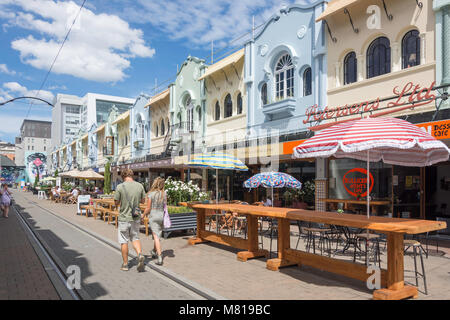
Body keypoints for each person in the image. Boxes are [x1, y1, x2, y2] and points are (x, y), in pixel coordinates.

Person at [114, 169, 146, 272]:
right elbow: (143, 200)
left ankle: (125, 264)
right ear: (132, 175)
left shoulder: (120, 187)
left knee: (124, 241)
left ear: (123, 176)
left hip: (124, 217)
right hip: (135, 217)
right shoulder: (140, 186)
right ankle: (140, 254)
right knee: (135, 237)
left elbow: (116, 202)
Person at [143, 177, 167, 266]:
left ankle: (160, 257)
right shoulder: (163, 194)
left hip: (153, 216)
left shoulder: (151, 194)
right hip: (161, 216)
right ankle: (154, 251)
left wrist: (143, 215)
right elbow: (165, 206)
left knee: (156, 237)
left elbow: (148, 208)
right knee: (156, 234)